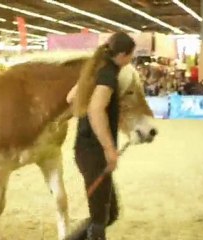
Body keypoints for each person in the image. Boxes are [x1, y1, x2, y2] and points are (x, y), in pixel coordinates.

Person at [66, 32, 136, 240]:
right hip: (94, 152)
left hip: (85, 150)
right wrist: (109, 149)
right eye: (131, 55)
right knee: (99, 219)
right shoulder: (108, 75)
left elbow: (70, 97)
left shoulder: (96, 70)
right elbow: (96, 110)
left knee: (109, 213)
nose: (131, 60)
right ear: (123, 54)